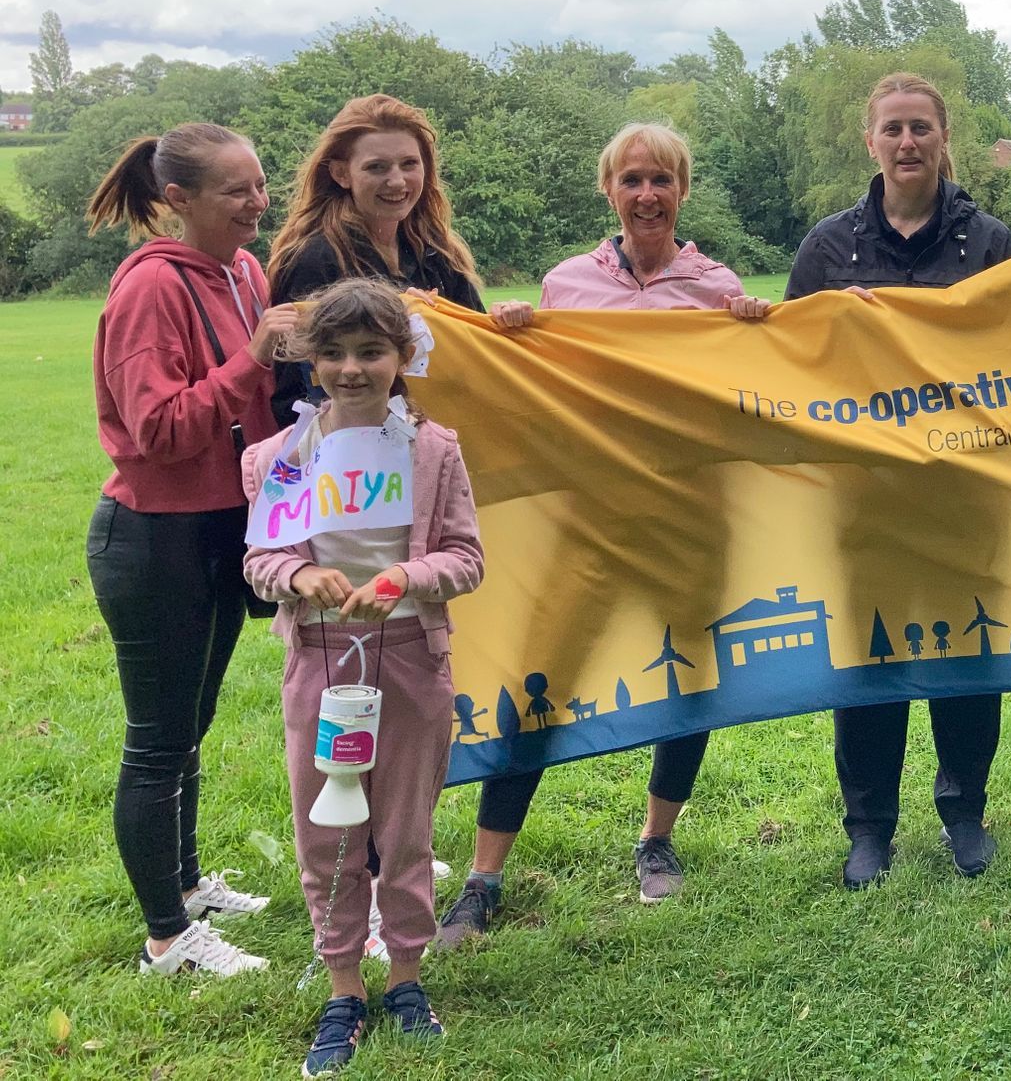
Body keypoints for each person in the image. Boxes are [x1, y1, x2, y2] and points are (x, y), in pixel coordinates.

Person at [436, 122, 770, 944]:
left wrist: (759, 331)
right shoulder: (566, 285)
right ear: (609, 190)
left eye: (661, 179)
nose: (647, 194)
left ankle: (657, 842)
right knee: (538, 681)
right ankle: (484, 877)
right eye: (631, 180)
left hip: (691, 520)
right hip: (588, 520)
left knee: (691, 684)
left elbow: (753, 394)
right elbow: (533, 393)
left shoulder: (717, 287)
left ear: (682, 189)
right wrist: (507, 336)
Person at [244, 279, 485, 1074]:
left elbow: (465, 557)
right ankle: (344, 986)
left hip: (414, 658)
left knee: (405, 830)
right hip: (320, 660)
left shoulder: (432, 448)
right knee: (329, 832)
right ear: (310, 359)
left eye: (371, 352)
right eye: (334, 353)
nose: (351, 369)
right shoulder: (282, 456)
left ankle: (407, 977)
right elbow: (260, 557)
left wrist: (404, 579)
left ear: (403, 356)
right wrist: (295, 575)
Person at [786, 73, 1011, 889]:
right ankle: (870, 826)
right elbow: (790, 370)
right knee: (869, 659)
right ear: (871, 141)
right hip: (865, 496)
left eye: (922, 127)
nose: (908, 142)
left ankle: (964, 812)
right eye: (893, 129)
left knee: (966, 657)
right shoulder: (825, 248)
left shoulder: (990, 242)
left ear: (943, 135)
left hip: (965, 494)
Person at [84, 122, 299, 977]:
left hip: (221, 528)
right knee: (158, 740)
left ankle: (187, 885)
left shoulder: (244, 271)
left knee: (193, 726)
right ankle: (167, 937)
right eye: (238, 191)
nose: (259, 202)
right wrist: (251, 359)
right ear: (179, 200)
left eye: (260, 183)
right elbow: (159, 430)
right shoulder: (151, 290)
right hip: (153, 537)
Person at [266, 94, 485, 423]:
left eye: (409, 164)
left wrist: (510, 323)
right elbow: (303, 384)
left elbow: (481, 348)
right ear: (341, 174)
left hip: (437, 441)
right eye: (376, 167)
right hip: (358, 458)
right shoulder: (316, 260)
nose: (397, 181)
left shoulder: (439, 254)